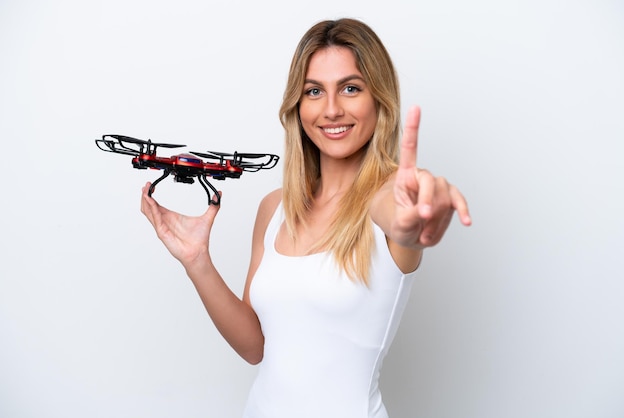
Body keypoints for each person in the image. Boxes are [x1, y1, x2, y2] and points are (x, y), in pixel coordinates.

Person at [141, 17, 471, 418]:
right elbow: (255, 347)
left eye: (351, 88)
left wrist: (417, 214)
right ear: (298, 106)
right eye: (314, 91)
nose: (332, 110)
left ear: (379, 100)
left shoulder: (386, 200)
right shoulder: (275, 207)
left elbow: (401, 213)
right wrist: (197, 262)